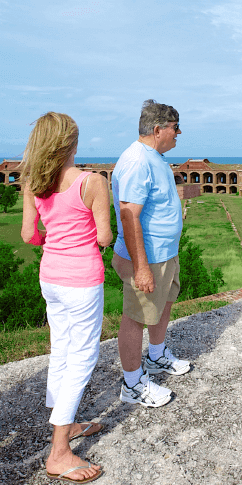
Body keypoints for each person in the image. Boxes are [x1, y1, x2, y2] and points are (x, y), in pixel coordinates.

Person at [21, 112, 112, 483]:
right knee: (82, 357)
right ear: (71, 144)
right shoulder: (92, 182)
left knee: (61, 347)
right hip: (82, 279)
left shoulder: (32, 181)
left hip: (51, 276)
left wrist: (53, 243)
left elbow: (29, 234)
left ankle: (67, 422)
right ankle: (59, 452)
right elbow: (104, 237)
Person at [112, 99, 190, 408]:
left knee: (164, 303)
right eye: (175, 128)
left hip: (165, 253)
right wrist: (141, 267)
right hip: (147, 257)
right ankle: (132, 384)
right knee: (135, 317)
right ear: (158, 130)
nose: (178, 133)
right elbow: (129, 215)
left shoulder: (154, 156)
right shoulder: (137, 160)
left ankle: (156, 356)